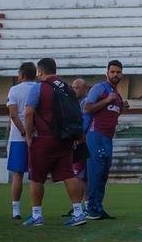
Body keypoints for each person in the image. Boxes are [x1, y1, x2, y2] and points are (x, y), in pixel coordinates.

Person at [22, 58, 87, 227]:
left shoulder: (39, 87)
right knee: (68, 175)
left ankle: (37, 215)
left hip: (43, 138)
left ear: (40, 71)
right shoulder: (67, 87)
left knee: (36, 177)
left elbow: (28, 113)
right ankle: (78, 212)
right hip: (65, 138)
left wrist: (29, 136)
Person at [82, 60, 127, 220]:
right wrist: (107, 100)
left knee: (103, 173)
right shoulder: (99, 88)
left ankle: (98, 207)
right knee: (96, 171)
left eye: (118, 72)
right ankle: (91, 208)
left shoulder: (118, 95)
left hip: (107, 137)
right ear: (107, 73)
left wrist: (121, 106)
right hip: (95, 134)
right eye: (112, 72)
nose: (115, 74)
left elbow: (113, 113)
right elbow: (87, 108)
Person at [5, 61, 37, 219]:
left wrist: (24, 132)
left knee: (17, 174)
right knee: (35, 175)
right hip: (37, 137)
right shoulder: (39, 88)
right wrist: (32, 132)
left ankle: (16, 211)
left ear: (23, 75)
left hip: (18, 137)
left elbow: (13, 114)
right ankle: (36, 211)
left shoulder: (14, 90)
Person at [70, 77, 90, 206]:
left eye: (77, 88)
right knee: (81, 176)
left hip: (82, 142)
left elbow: (85, 121)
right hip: (79, 141)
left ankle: (80, 205)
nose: (74, 90)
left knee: (80, 176)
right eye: (73, 88)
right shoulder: (74, 102)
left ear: (85, 89)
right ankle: (84, 205)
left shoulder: (85, 102)